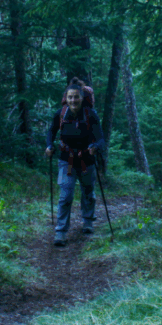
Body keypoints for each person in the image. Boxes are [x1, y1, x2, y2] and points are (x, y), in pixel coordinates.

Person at [45, 78, 105, 247]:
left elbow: (101, 139)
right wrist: (49, 145)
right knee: (65, 195)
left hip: (87, 159)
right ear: (66, 98)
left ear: (81, 97)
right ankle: (61, 232)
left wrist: (95, 147)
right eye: (70, 97)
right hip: (66, 160)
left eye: (76, 97)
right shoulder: (60, 113)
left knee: (88, 192)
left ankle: (88, 222)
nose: (73, 100)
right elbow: (51, 132)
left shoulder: (90, 115)